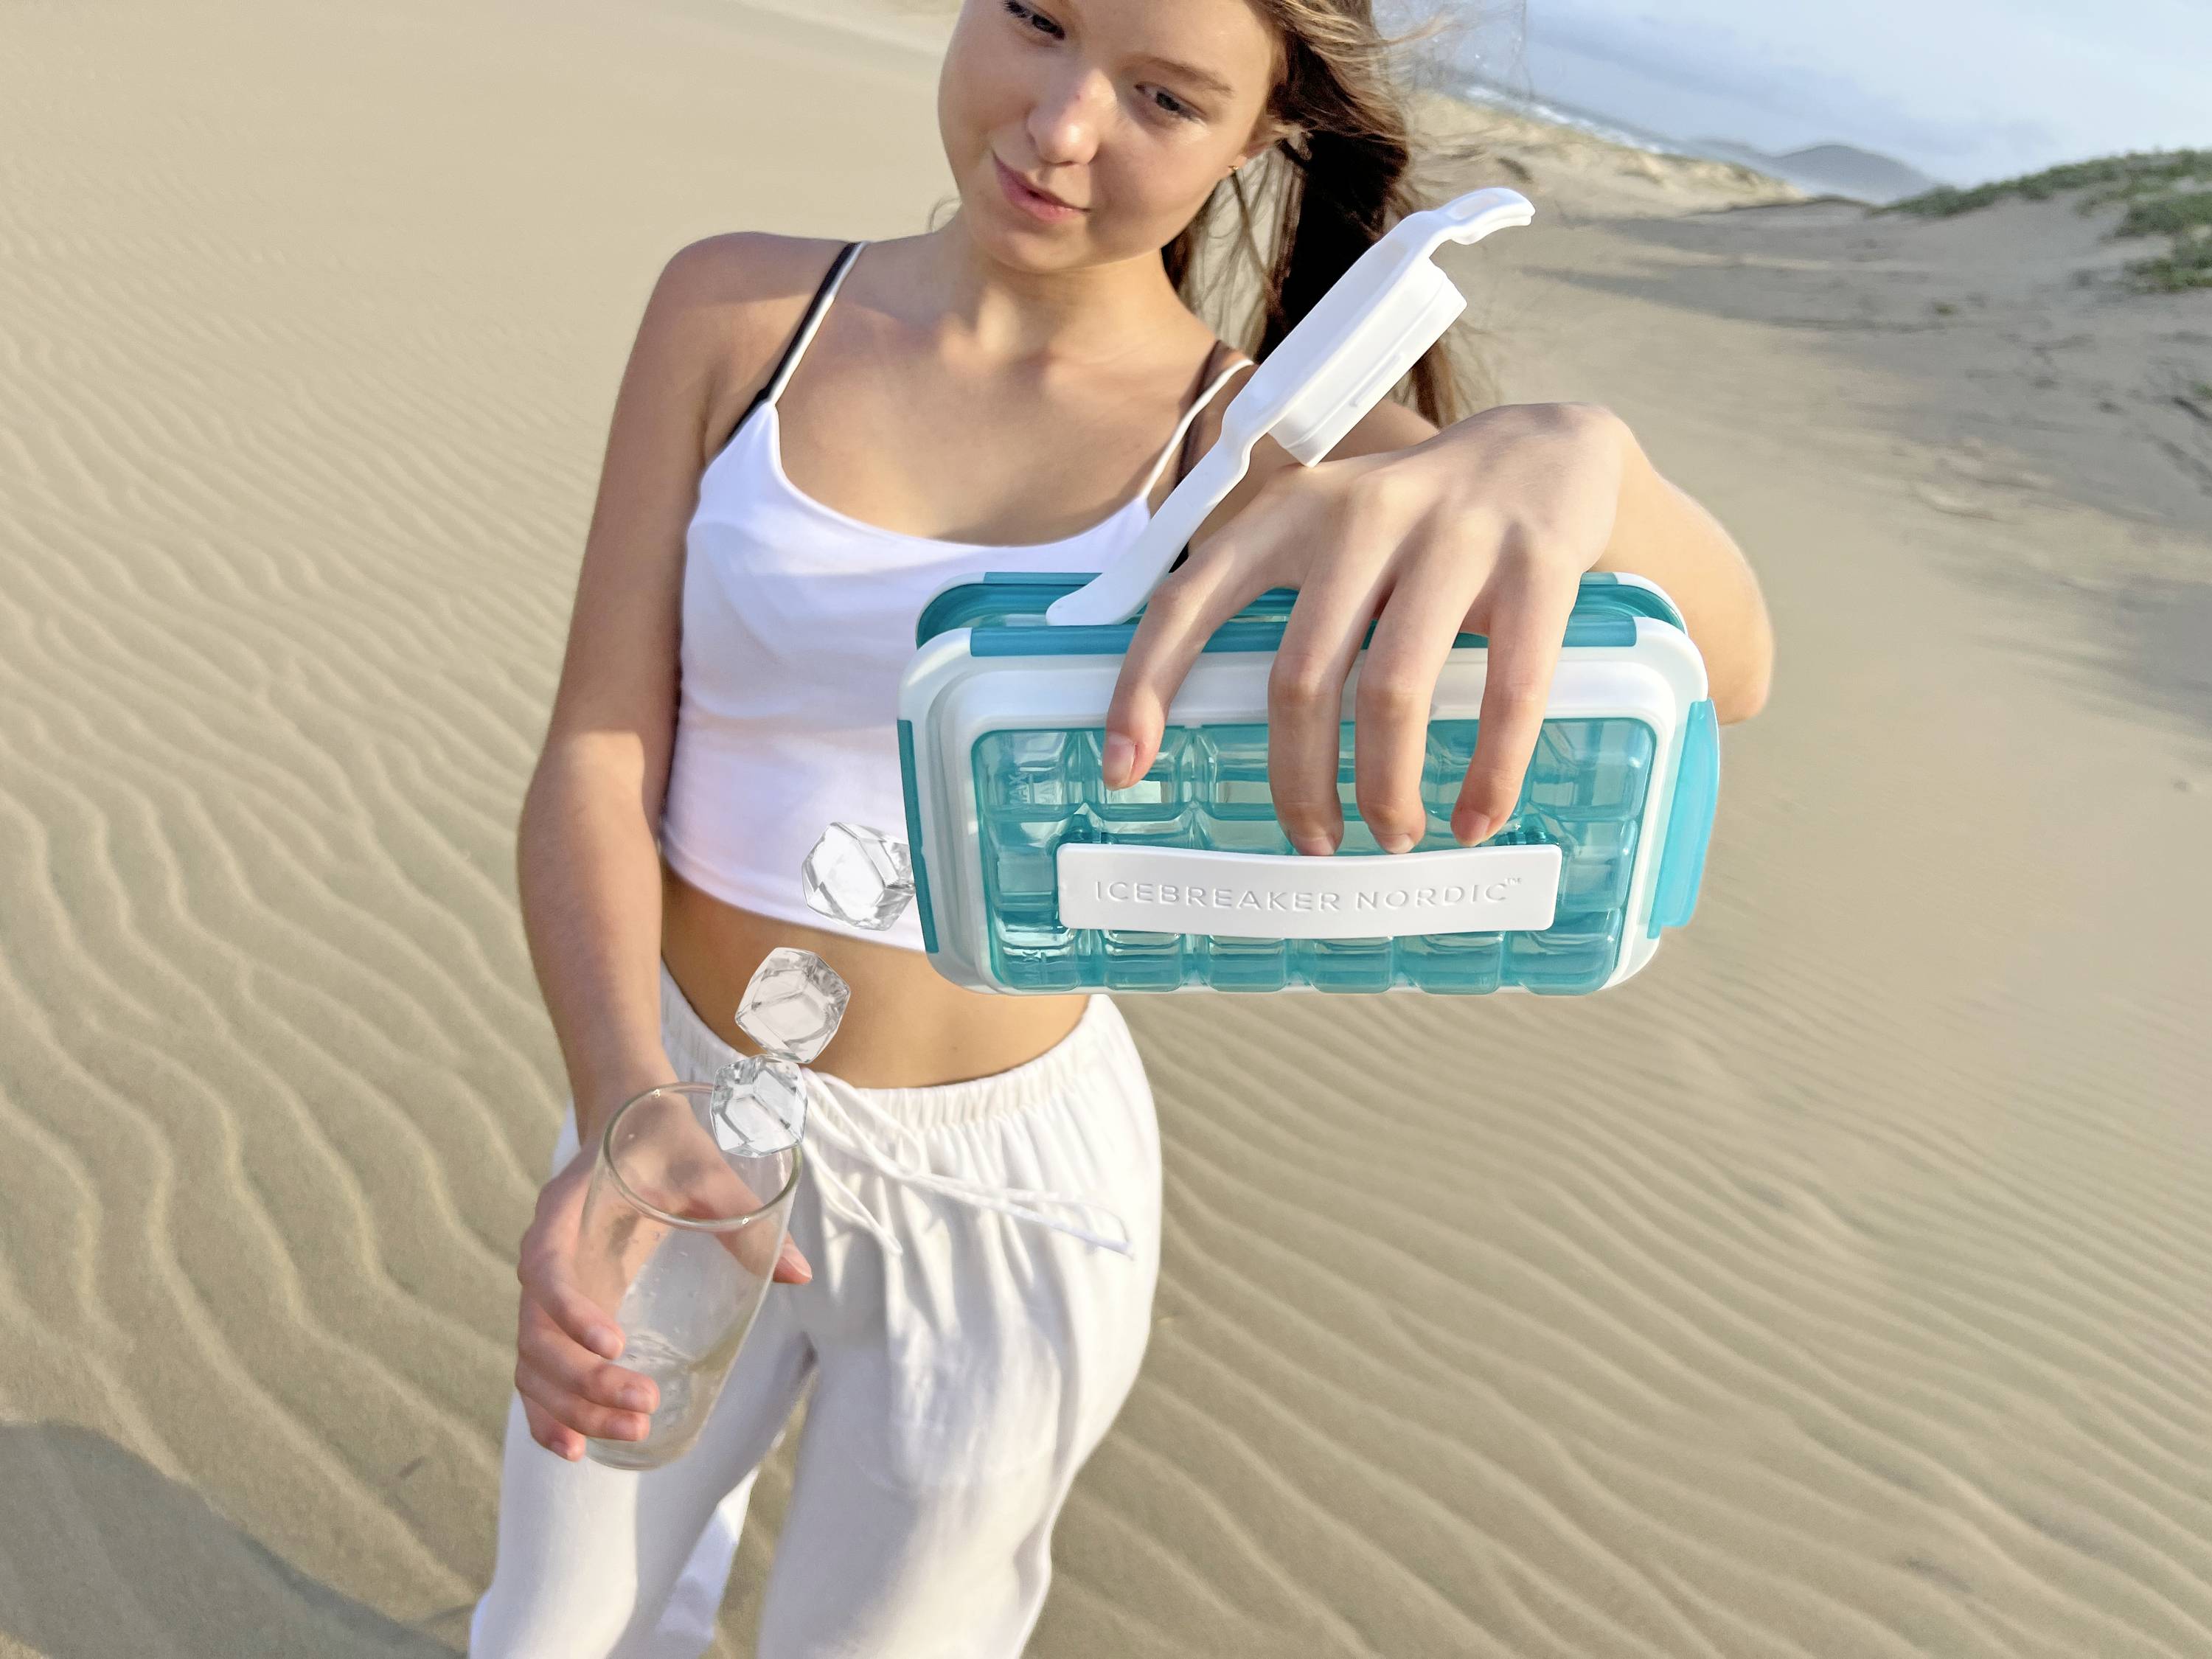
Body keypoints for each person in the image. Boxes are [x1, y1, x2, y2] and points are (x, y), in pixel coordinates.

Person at [469, 0, 1775, 1653]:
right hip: (678, 1110)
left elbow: (1732, 663)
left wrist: (1595, 464)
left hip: (1008, 1199)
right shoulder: (737, 308)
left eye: (1164, 94)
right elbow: (599, 740)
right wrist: (617, 1108)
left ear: (1262, 132)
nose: (1061, 125)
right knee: (554, 1627)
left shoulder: (1271, 449)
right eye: (1036, 18)